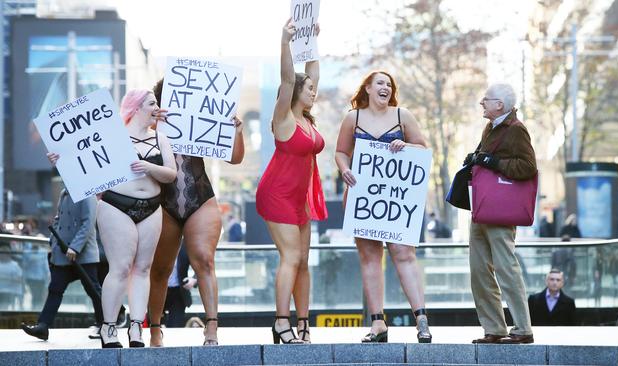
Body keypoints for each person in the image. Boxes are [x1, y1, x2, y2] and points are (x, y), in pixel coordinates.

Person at [334, 70, 432, 343]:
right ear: (367, 88)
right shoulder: (352, 118)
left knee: (404, 254)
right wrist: (344, 169)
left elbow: (423, 149)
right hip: (362, 198)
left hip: (396, 201)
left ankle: (421, 320)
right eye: (380, 83)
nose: (385, 87)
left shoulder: (403, 116)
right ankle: (378, 323)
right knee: (370, 258)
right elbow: (341, 152)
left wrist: (408, 146)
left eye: (389, 84)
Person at [148, 78, 244, 347]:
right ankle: (155, 329)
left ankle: (211, 328)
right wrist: (150, 120)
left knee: (204, 259)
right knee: (160, 269)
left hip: (199, 198)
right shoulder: (151, 124)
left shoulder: (200, 119)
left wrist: (236, 130)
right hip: (162, 203)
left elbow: (235, 158)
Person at [255, 20, 327, 344]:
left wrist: (312, 41)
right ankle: (281, 324)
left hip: (301, 199)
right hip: (277, 194)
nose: (314, 91)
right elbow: (288, 78)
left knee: (304, 262)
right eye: (309, 88)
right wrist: (285, 41)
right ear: (296, 92)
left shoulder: (307, 121)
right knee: (291, 258)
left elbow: (312, 70)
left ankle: (304, 325)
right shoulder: (283, 116)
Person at [88, 89, 176, 348]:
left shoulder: (160, 137)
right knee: (121, 267)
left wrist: (149, 167)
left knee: (143, 268)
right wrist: (61, 159)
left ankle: (137, 326)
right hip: (116, 205)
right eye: (152, 103)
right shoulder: (114, 136)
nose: (157, 107)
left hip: (152, 207)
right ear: (136, 107)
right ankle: (109, 327)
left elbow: (171, 173)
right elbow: (85, 161)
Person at [462, 83, 536, 344]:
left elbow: (528, 167)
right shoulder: (492, 126)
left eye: (487, 99)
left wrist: (493, 163)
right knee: (479, 270)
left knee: (506, 269)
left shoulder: (516, 130)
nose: (482, 102)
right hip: (482, 208)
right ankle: (494, 328)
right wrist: (477, 158)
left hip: (500, 212)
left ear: (500, 105)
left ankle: (523, 329)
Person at [21, 188, 103, 341]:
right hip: (63, 253)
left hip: (83, 254)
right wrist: (53, 241)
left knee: (93, 290)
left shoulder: (87, 193)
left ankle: (105, 323)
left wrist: (75, 247)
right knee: (55, 289)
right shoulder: (64, 193)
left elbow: (88, 223)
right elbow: (58, 219)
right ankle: (43, 326)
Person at [163, 243, 196, 327]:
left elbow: (202, 266)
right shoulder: (159, 242)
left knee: (175, 326)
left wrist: (193, 280)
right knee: (154, 326)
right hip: (158, 291)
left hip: (179, 293)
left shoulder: (186, 245)